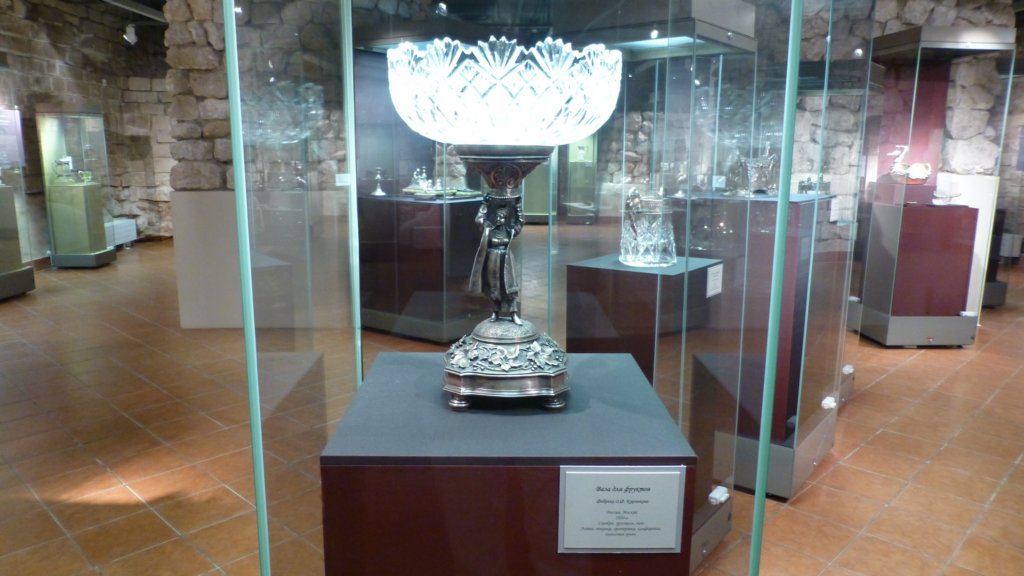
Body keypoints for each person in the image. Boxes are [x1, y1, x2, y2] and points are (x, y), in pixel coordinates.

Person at [468, 195, 524, 324]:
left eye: (502, 217)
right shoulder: (489, 230)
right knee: (494, 286)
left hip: (506, 260)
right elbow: (479, 220)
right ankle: (495, 311)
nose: (499, 219)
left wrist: (518, 206)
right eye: (497, 217)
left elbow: (520, 221)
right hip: (492, 260)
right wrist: (484, 204)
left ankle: (513, 313)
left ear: (505, 219)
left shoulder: (510, 231)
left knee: (508, 286)